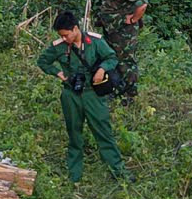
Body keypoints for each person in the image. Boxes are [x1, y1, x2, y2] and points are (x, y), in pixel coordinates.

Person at [38, 10, 129, 182]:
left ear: (75, 29)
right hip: (71, 95)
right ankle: (75, 176)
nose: (65, 39)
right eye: (61, 36)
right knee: (74, 134)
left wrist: (102, 70)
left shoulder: (94, 41)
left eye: (66, 35)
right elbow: (42, 62)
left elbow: (111, 57)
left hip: (93, 94)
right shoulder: (59, 46)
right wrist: (59, 74)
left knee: (104, 133)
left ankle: (119, 172)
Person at [98, 0, 148, 102]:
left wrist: (133, 19)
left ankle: (129, 94)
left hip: (124, 31)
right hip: (111, 28)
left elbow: (142, 5)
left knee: (126, 62)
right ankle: (115, 88)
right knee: (111, 58)